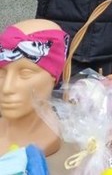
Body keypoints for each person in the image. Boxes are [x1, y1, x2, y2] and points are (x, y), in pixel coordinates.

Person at [0, 19, 69, 157]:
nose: (7, 88)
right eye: (1, 73)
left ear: (53, 77)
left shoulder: (49, 138)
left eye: (25, 73)